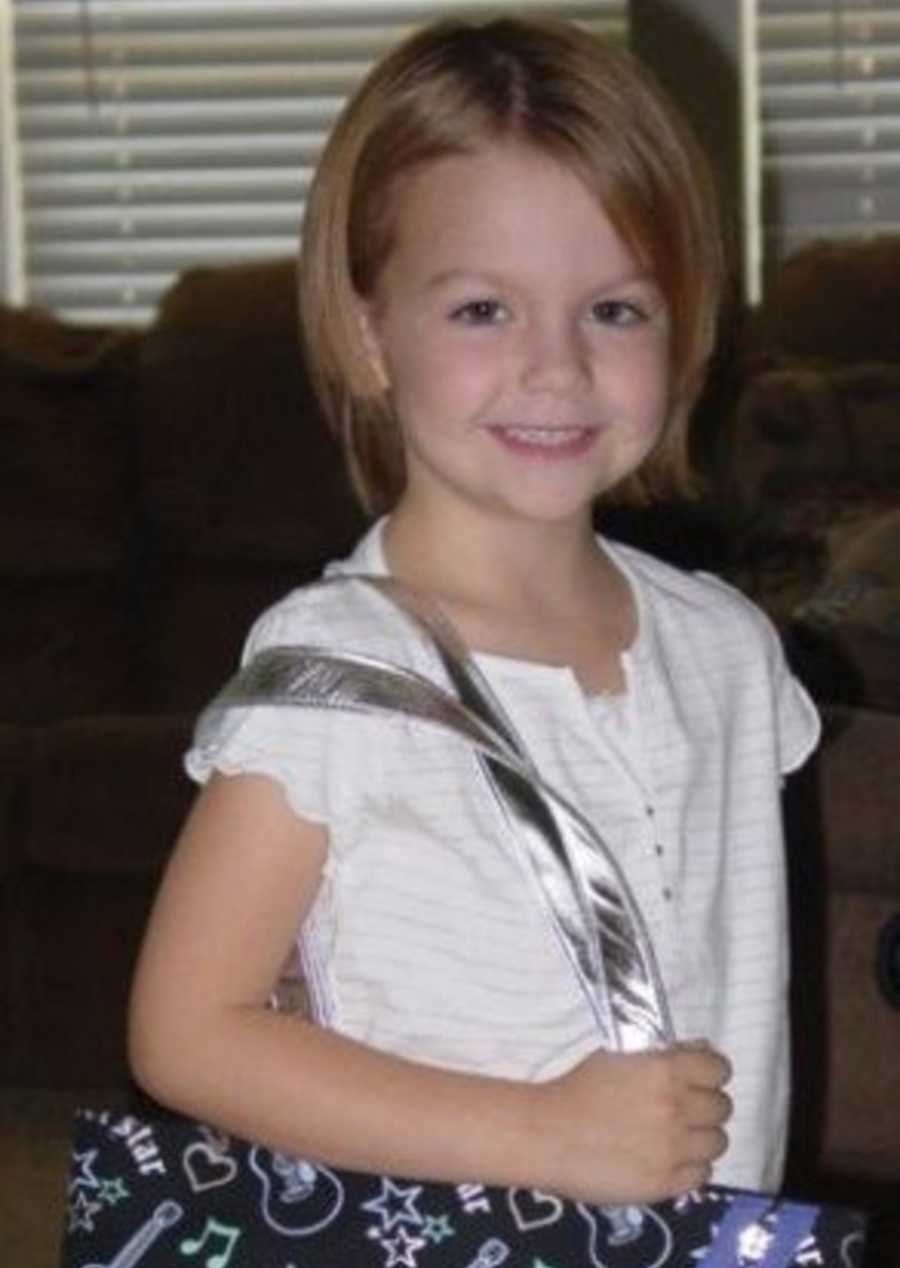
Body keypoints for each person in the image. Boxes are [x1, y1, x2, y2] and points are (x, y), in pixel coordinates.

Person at [128, 14, 819, 1210]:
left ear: (685, 325)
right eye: (482, 310)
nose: (556, 367)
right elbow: (188, 1031)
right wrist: (543, 1132)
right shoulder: (341, 670)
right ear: (366, 333)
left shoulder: (729, 651)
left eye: (614, 309)